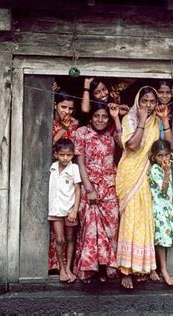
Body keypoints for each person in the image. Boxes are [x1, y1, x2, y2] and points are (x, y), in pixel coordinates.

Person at [115, 86, 173, 289]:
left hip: (146, 176)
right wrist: (141, 120)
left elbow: (169, 145)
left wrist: (164, 120)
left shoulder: (157, 122)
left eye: (152, 101)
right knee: (130, 219)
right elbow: (133, 146)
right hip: (129, 175)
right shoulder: (129, 119)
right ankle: (125, 270)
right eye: (144, 101)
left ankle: (140, 267)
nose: (148, 105)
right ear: (138, 102)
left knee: (144, 220)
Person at [72, 102, 122, 283]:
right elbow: (80, 162)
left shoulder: (111, 135)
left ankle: (106, 267)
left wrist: (116, 116)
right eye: (97, 116)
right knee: (91, 229)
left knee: (111, 228)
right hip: (90, 187)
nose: (100, 120)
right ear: (91, 117)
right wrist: (89, 188)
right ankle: (91, 269)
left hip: (109, 187)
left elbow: (125, 144)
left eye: (104, 116)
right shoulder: (82, 133)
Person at [49, 91, 79, 272]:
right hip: (53, 175)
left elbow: (72, 150)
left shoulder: (75, 125)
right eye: (63, 107)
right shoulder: (50, 122)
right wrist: (63, 129)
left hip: (69, 178)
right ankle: (57, 267)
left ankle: (68, 267)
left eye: (70, 108)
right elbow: (49, 145)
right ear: (55, 106)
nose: (67, 111)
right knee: (57, 236)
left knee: (69, 235)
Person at [48, 139, 81, 283]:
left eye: (68, 155)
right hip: (56, 210)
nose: (65, 158)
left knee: (70, 239)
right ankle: (61, 268)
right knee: (60, 240)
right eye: (62, 155)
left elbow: (78, 190)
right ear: (56, 155)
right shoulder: (53, 167)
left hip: (69, 210)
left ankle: (69, 268)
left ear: (73, 155)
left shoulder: (74, 168)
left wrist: (74, 210)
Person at [149, 139, 173, 286]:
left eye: (166, 155)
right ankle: (161, 270)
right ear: (154, 157)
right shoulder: (155, 169)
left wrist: (167, 170)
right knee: (158, 241)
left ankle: (156, 269)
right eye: (160, 156)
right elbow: (163, 190)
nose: (164, 159)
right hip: (158, 209)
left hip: (166, 208)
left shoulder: (166, 167)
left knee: (161, 240)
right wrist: (166, 173)